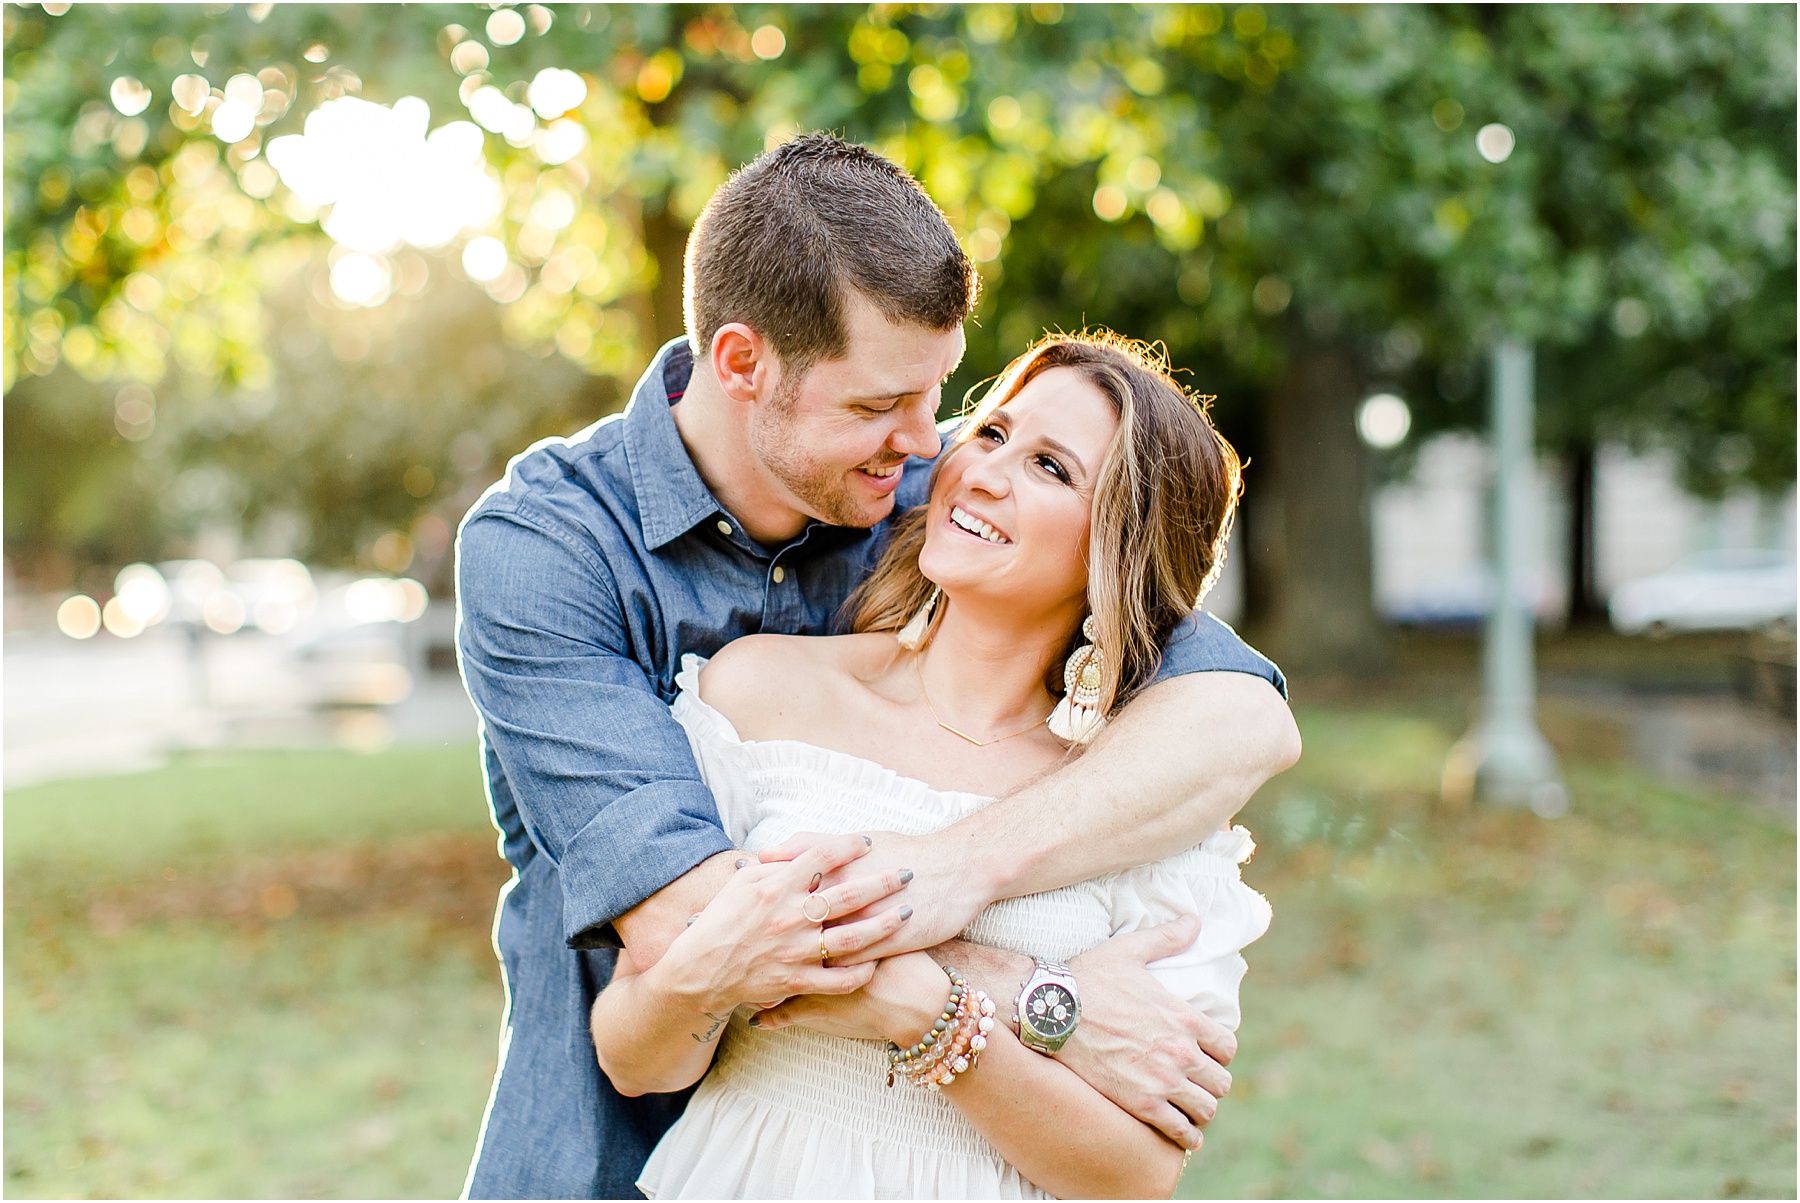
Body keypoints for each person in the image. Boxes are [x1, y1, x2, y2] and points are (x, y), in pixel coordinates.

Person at [455, 133, 1299, 1199]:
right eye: (874, 406)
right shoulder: (547, 553)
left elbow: (1241, 717)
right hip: (608, 1157)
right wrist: (1043, 995)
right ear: (742, 363)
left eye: (942, 395)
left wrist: (962, 871)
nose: (931, 443)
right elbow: (692, 924)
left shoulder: (935, 493)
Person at [597, 332, 1274, 1199]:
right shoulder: (759, 691)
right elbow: (632, 1053)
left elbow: (1136, 1174)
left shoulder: (1144, 796)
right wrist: (1030, 997)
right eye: (992, 433)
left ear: (1118, 549)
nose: (985, 472)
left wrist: (930, 1016)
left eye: (1051, 468)